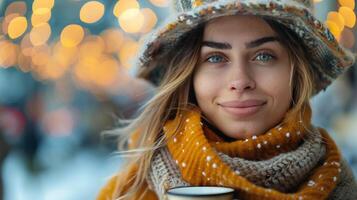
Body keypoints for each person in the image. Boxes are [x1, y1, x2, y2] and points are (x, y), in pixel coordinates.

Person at [97, 0, 357, 199]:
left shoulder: (338, 185)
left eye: (264, 55)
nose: (240, 80)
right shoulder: (128, 191)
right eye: (215, 58)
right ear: (189, 77)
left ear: (296, 71)